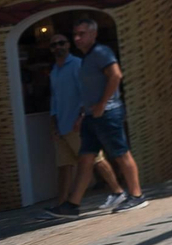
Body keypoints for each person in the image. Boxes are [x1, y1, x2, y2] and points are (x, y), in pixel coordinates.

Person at [44, 18, 147, 218]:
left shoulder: (101, 52)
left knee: (121, 153)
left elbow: (116, 75)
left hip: (107, 112)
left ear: (93, 34)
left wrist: (102, 104)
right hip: (91, 116)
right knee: (86, 158)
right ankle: (72, 205)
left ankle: (137, 195)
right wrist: (84, 113)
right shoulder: (86, 58)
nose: (77, 38)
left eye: (82, 34)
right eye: (75, 34)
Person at [46, 34, 124, 210]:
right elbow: (55, 99)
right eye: (54, 45)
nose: (58, 47)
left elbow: (86, 92)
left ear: (68, 45)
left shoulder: (77, 64)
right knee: (64, 165)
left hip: (77, 123)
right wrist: (53, 124)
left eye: (61, 43)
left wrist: (82, 116)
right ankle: (61, 204)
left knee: (95, 159)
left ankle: (118, 192)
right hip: (61, 125)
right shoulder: (54, 71)